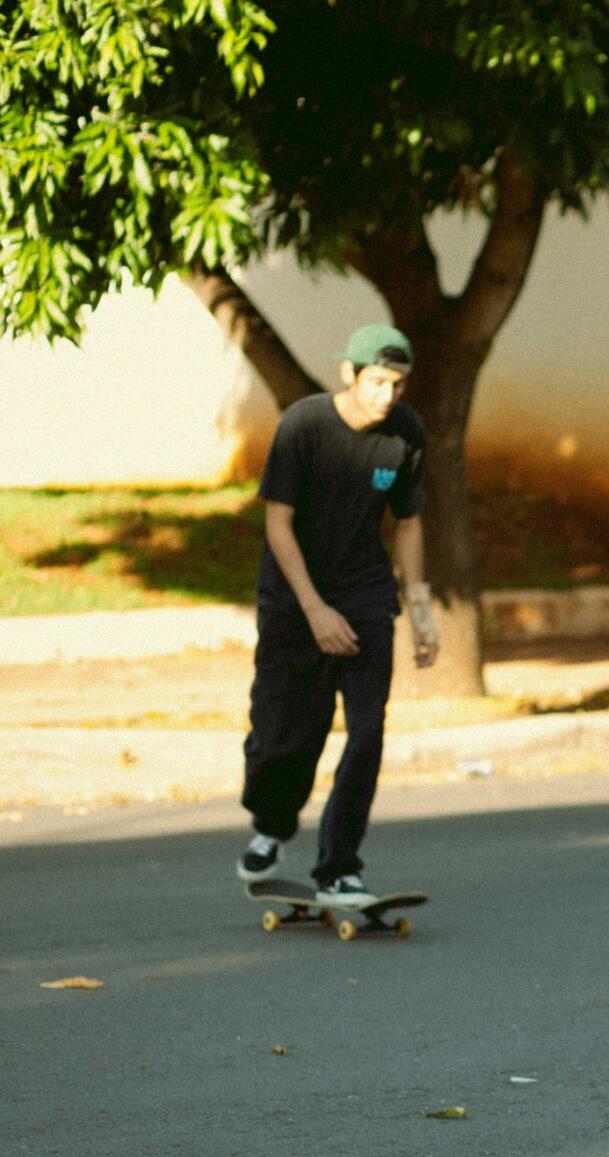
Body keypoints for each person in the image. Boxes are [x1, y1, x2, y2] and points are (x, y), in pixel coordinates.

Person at [235, 322, 439, 904]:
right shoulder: (304, 425)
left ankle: (340, 866)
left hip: (364, 594)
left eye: (397, 384)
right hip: (294, 596)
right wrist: (314, 610)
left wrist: (420, 609)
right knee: (286, 733)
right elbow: (278, 521)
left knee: (367, 729)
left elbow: (408, 519)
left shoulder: (406, 434)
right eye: (376, 381)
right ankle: (272, 825)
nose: (387, 396)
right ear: (348, 374)